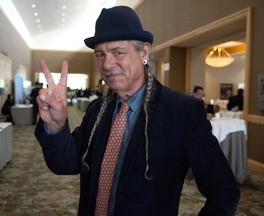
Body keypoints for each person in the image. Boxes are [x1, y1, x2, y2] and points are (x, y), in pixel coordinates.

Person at [34, 6, 240, 216]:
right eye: (100, 54)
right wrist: (55, 126)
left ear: (143, 52)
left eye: (118, 52)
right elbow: (66, 164)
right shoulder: (97, 109)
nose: (107, 63)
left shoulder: (181, 111)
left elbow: (224, 194)